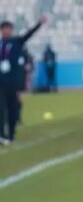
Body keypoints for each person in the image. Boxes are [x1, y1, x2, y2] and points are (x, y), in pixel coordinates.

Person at [0, 15, 47, 145]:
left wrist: (39, 24)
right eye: (4, 29)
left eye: (9, 29)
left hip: (13, 81)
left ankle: (11, 134)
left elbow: (28, 35)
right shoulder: (0, 44)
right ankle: (2, 134)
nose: (7, 31)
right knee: (1, 108)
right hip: (1, 81)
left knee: (12, 108)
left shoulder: (16, 42)